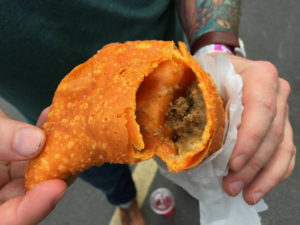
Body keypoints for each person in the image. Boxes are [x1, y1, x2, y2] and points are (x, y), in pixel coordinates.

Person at [0, 0, 296, 225]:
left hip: (173, 57)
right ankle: (127, 203)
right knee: (102, 177)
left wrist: (215, 49)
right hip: (48, 128)